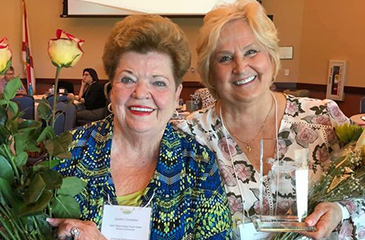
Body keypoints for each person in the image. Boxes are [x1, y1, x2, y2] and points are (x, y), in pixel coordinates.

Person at [173, 0, 365, 239]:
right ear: (209, 71)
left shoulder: (322, 119)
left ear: (271, 56)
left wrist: (341, 210)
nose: (241, 67)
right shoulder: (188, 135)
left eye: (251, 51)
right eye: (224, 58)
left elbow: (361, 193)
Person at [47, 15, 233, 240]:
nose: (141, 93)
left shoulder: (199, 164)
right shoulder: (68, 150)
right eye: (127, 79)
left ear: (176, 95)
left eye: (159, 82)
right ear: (111, 90)